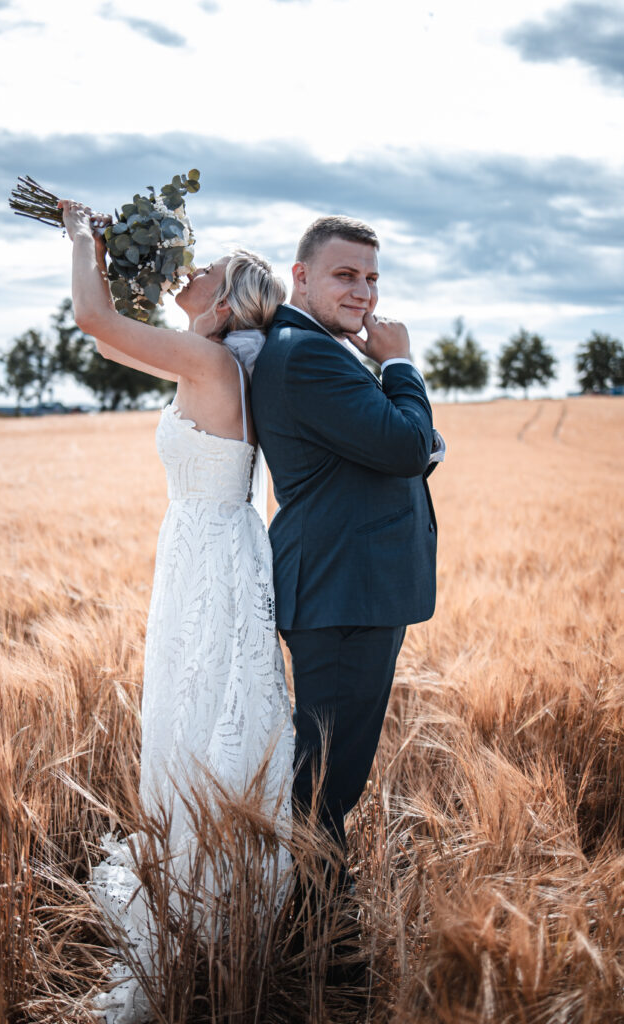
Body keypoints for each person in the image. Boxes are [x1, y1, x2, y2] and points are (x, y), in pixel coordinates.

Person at [58, 200, 294, 1024]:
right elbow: (106, 339)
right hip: (203, 550)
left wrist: (82, 237)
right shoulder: (206, 359)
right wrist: (119, 264)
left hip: (208, 558)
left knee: (199, 712)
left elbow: (93, 319)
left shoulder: (209, 362)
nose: (188, 269)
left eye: (205, 269)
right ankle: (200, 873)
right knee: (193, 709)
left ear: (224, 302)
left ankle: (206, 889)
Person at [251, 215, 442, 888]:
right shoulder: (306, 353)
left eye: (371, 278)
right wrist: (400, 364)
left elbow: (394, 448)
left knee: (333, 771)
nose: (363, 292)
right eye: (345, 275)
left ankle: (315, 912)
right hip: (342, 590)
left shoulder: (315, 348)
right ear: (300, 276)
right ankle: (316, 925)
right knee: (328, 778)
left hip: (349, 586)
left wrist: (412, 438)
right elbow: (405, 446)